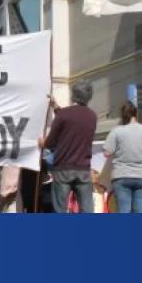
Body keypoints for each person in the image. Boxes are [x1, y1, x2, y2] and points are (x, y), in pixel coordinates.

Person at [39, 83, 98, 213]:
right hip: (83, 169)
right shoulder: (93, 116)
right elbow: (73, 120)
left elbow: (50, 142)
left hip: (63, 169)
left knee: (60, 209)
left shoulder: (64, 114)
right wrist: (56, 107)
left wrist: (43, 142)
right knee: (87, 209)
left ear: (73, 95)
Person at [103, 101, 142, 213]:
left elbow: (107, 153)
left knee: (123, 210)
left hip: (121, 175)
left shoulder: (116, 131)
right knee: (140, 211)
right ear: (136, 114)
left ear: (122, 116)